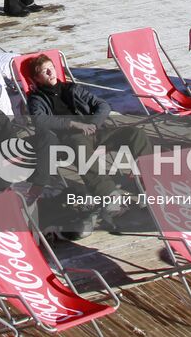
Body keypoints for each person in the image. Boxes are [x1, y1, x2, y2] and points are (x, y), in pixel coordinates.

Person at [25, 53, 150, 231]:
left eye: (51, 68)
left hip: (96, 131)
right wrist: (73, 124)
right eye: (43, 71)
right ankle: (110, 199)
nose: (49, 72)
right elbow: (40, 121)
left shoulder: (72, 89)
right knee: (79, 145)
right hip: (71, 138)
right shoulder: (36, 98)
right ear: (37, 78)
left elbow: (103, 105)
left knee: (135, 134)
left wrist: (93, 124)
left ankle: (149, 184)